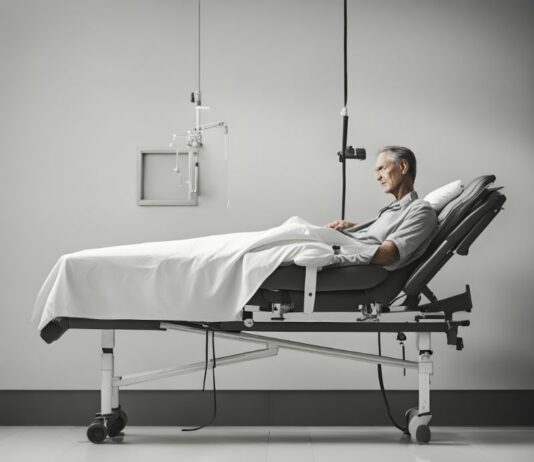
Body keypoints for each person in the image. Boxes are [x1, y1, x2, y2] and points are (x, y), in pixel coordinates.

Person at [326, 146, 437, 270]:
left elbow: (387, 254)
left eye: (382, 169)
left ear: (403, 167)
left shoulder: (421, 211)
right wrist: (352, 227)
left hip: (339, 257)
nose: (378, 177)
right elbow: (379, 235)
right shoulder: (396, 208)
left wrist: (332, 259)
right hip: (333, 246)